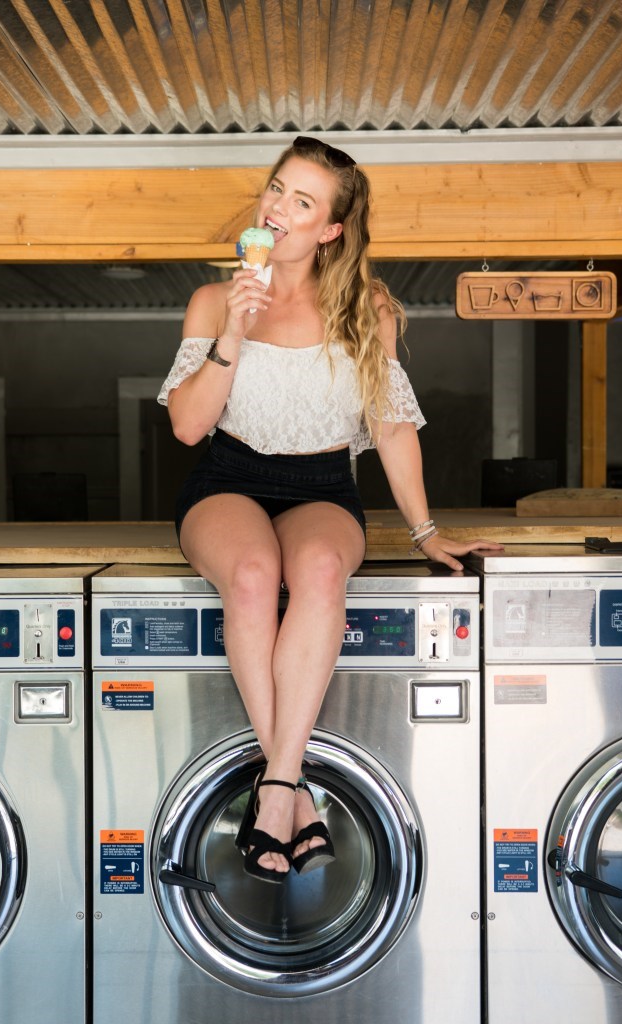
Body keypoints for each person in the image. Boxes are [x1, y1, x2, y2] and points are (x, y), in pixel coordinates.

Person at [158, 135, 502, 884]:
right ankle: (289, 790)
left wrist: (426, 531)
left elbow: (389, 425)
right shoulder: (217, 299)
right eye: (277, 189)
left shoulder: (366, 308)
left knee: (316, 567)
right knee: (252, 573)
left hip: (322, 485)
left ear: (330, 230)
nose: (277, 208)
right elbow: (188, 427)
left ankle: (278, 788)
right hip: (226, 478)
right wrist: (232, 333)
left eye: (301, 202)